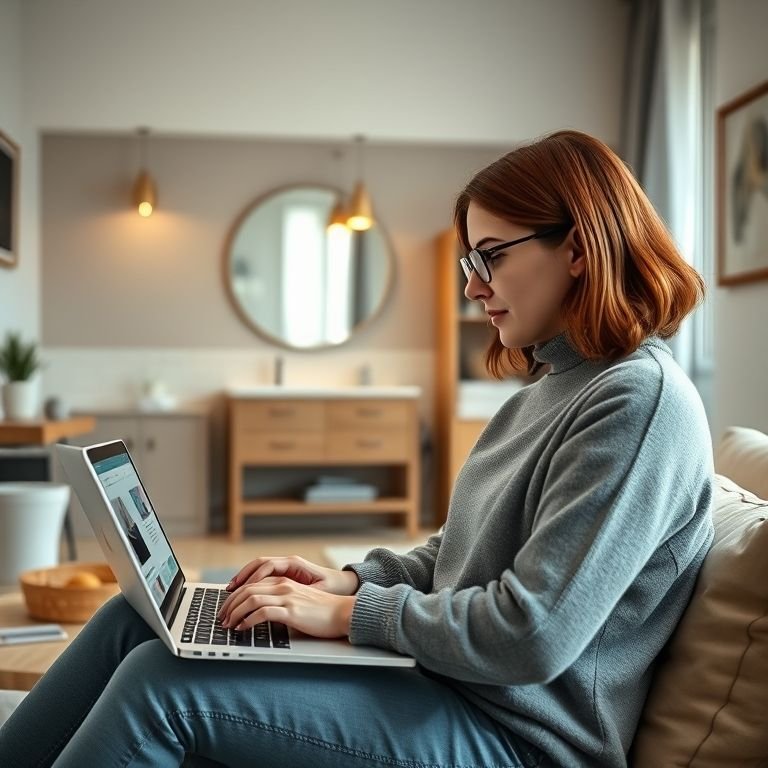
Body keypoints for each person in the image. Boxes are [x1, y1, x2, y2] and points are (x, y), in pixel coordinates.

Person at [0, 130, 713, 768]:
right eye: (471, 259)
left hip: (517, 737)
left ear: (580, 249)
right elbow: (458, 558)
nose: (473, 285)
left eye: (491, 256)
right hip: (447, 688)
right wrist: (343, 581)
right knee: (132, 620)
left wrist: (349, 616)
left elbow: (532, 634)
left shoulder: (636, 403)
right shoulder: (549, 389)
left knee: (163, 685)